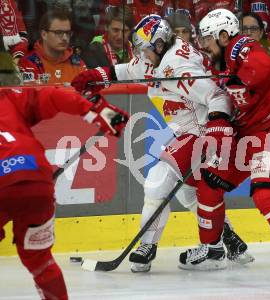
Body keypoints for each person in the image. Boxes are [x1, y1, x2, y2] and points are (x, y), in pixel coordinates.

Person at [70, 14, 254, 273]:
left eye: (144, 49)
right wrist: (96, 75)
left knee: (158, 180)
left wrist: (216, 132)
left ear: (158, 45)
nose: (141, 55)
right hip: (188, 131)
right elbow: (129, 69)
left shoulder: (177, 66)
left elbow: (217, 96)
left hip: (202, 132)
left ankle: (147, 247)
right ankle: (228, 239)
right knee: (186, 192)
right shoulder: (157, 55)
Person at [179, 8, 270, 286]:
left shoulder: (239, 48)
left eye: (207, 39)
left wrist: (240, 80)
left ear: (223, 35)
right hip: (245, 136)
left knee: (266, 194)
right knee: (208, 182)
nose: (204, 45)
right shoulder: (215, 64)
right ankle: (213, 250)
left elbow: (263, 66)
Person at [0, 52, 129, 300]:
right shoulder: (12, 96)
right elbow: (57, 96)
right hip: (36, 176)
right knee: (40, 261)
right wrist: (103, 113)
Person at [18, 8, 86, 85]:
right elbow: (31, 95)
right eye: (58, 32)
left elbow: (88, 93)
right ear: (44, 34)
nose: (65, 38)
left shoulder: (77, 62)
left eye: (67, 33)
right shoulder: (29, 63)